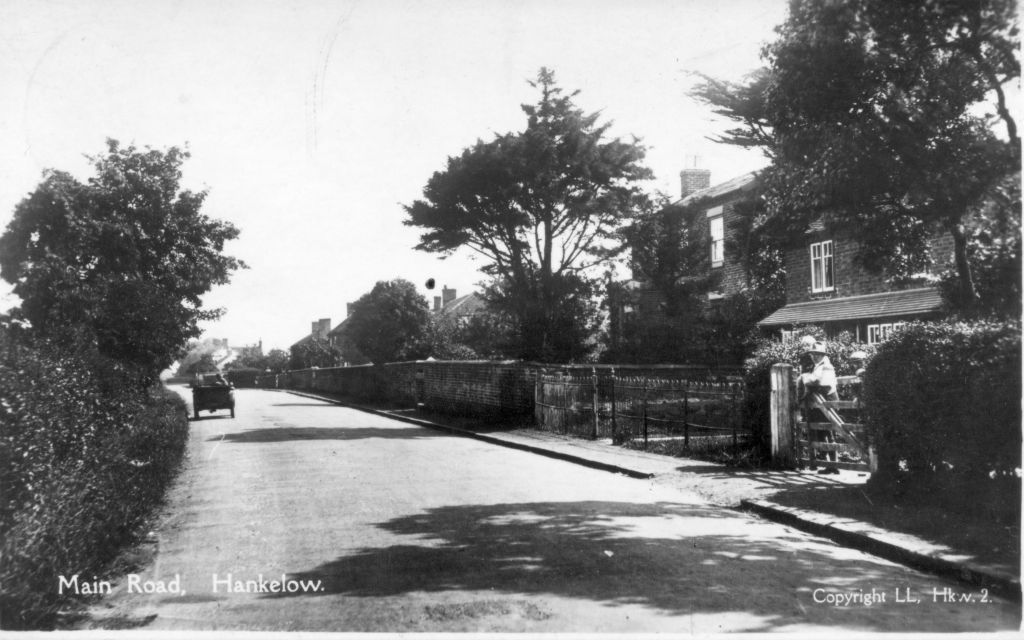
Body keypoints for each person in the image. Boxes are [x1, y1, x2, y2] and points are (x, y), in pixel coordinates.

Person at [797, 340, 840, 474]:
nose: (814, 357)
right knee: (822, 432)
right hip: (820, 403)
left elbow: (817, 381)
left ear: (823, 355)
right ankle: (830, 464)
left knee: (828, 431)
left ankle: (833, 464)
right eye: (812, 354)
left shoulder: (826, 366)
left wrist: (803, 377)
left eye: (817, 354)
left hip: (827, 401)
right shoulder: (818, 366)